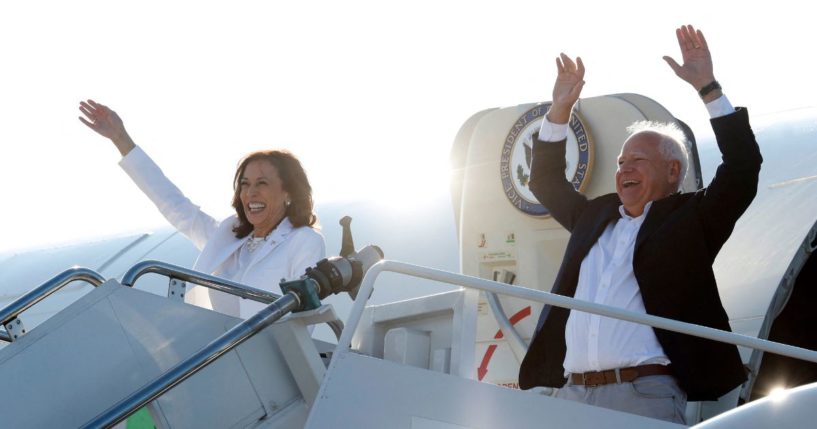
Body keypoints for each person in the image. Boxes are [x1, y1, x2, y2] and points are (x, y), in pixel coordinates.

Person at [518, 25, 762, 424]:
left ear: (672, 171)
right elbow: (544, 181)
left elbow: (743, 168)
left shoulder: (691, 220)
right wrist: (559, 110)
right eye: (620, 162)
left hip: (643, 395)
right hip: (571, 394)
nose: (624, 168)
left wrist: (708, 88)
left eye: (638, 161)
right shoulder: (592, 218)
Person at [78, 100, 326, 319]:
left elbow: (303, 320)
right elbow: (174, 205)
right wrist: (121, 138)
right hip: (213, 353)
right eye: (245, 184)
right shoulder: (229, 234)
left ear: (288, 193)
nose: (250, 193)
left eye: (262, 183)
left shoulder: (304, 241)